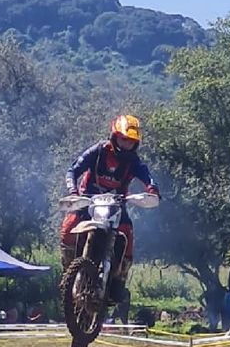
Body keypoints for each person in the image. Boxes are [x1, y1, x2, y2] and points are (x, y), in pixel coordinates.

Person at [60, 114, 160, 311]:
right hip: (88, 200)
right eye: (124, 139)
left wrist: (153, 190)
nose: (127, 144)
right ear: (115, 136)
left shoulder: (134, 162)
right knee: (68, 228)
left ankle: (117, 283)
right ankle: (67, 273)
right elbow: (72, 170)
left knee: (128, 237)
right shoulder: (98, 151)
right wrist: (73, 192)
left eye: (131, 142)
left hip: (115, 206)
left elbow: (148, 177)